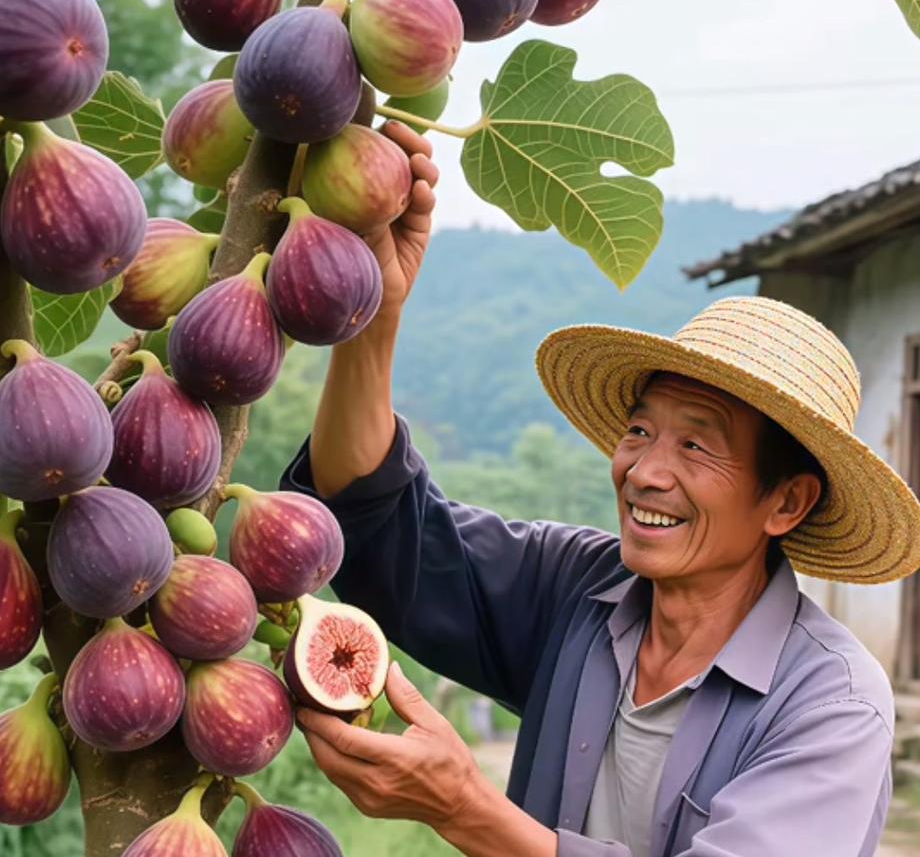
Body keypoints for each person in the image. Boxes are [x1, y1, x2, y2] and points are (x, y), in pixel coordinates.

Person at [285, 121, 920, 856]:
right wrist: (376, 314)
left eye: (695, 445)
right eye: (640, 430)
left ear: (787, 502)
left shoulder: (832, 703)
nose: (644, 471)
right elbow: (378, 522)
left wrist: (465, 810)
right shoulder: (578, 587)